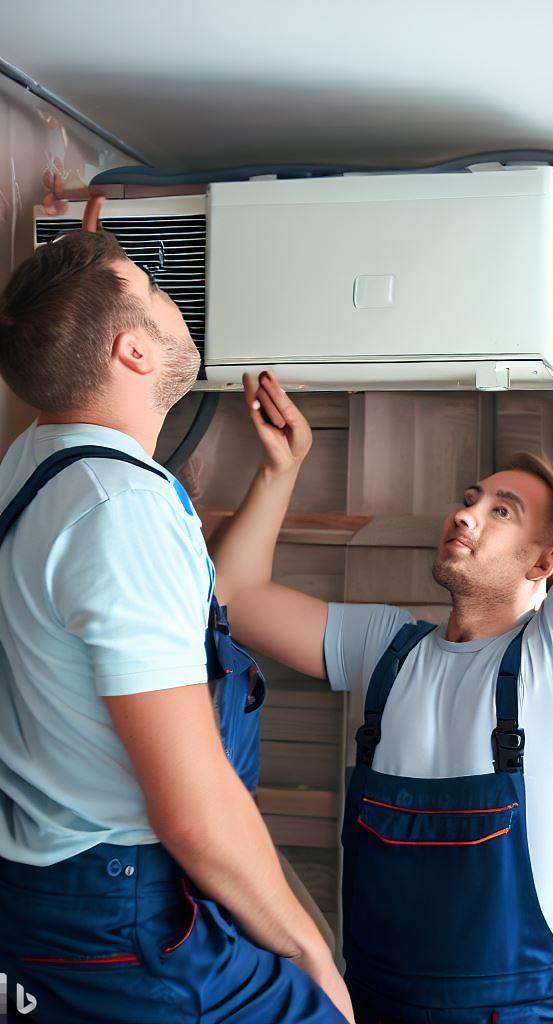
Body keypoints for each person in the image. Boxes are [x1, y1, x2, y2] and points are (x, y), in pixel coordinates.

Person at [212, 187, 553, 1024]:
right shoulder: (387, 647)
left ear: (550, 561)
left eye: (501, 511)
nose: (466, 512)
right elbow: (235, 597)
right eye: (471, 496)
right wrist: (281, 470)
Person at [0, 226, 352, 1023]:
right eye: (157, 289)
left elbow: (183, 615)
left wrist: (280, 473)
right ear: (132, 352)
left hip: (43, 893)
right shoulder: (120, 510)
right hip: (120, 916)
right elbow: (192, 811)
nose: (177, 300)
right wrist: (307, 951)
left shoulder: (34, 468)